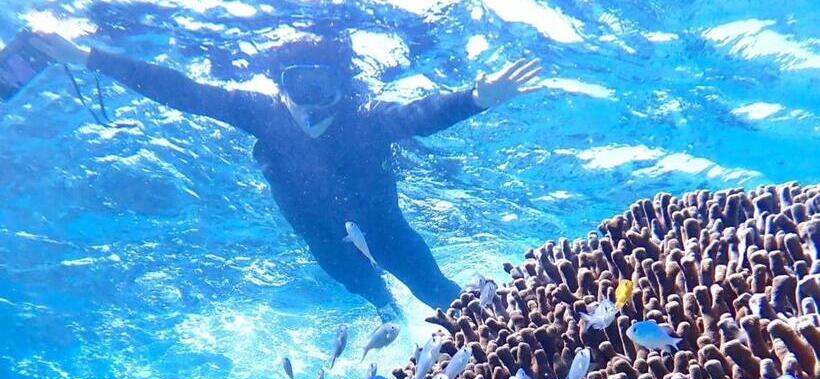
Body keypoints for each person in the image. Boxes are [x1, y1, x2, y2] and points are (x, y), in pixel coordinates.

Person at [29, 31, 545, 320]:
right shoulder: (261, 114)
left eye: (322, 87)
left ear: (345, 89)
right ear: (279, 87)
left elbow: (418, 116)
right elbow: (181, 91)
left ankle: (502, 338)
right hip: (323, 239)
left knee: (435, 289)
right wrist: (85, 56)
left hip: (386, 227)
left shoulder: (367, 121)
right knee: (378, 301)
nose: (309, 104)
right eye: (297, 87)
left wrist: (476, 99)